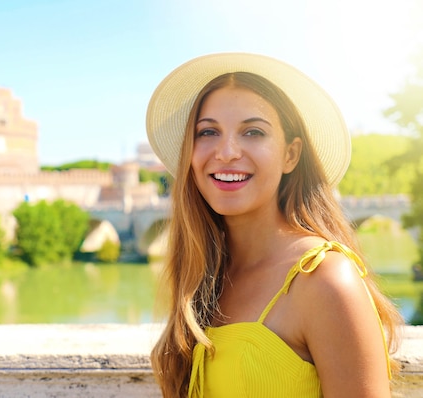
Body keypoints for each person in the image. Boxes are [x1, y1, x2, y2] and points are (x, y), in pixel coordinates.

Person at [145, 53, 403, 397]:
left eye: (253, 131)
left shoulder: (324, 280)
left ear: (290, 155)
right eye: (208, 132)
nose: (227, 152)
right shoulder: (204, 276)